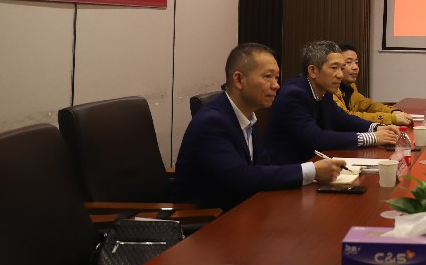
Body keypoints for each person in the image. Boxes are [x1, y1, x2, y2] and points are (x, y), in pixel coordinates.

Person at [173, 43, 345, 211]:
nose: (276, 85)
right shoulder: (212, 122)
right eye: (267, 76)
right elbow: (241, 177)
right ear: (239, 79)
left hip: (247, 209)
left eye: (276, 77)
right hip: (210, 219)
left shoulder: (247, 115)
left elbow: (263, 167)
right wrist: (311, 171)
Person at [265, 40, 399, 164]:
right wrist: (373, 138)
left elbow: (342, 119)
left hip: (314, 163)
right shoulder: (293, 94)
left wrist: (376, 127)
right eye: (334, 68)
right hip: (288, 170)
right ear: (313, 71)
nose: (340, 74)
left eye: (341, 68)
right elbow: (316, 138)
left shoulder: (325, 91)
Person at [335, 44, 413, 126]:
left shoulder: (351, 86)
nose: (355, 67)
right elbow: (347, 117)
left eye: (356, 62)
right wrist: (391, 118)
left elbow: (368, 105)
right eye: (348, 62)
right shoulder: (330, 91)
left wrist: (393, 111)